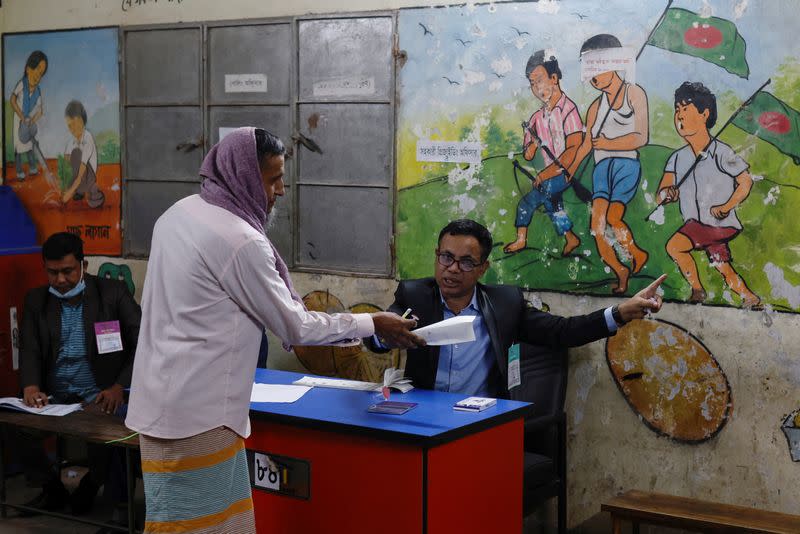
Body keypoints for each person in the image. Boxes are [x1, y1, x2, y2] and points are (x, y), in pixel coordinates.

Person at [125, 127, 423, 534]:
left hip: (160, 404)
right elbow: (296, 325)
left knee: (177, 519)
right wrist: (374, 322)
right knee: (202, 527)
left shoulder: (178, 213)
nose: (281, 189)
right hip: (199, 416)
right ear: (242, 176)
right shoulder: (239, 240)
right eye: (272, 178)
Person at [370, 219, 665, 398]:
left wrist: (620, 313)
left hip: (479, 423)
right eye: (446, 257)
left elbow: (563, 332)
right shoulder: (415, 295)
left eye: (466, 262)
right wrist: (385, 335)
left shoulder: (504, 304)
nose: (453, 269)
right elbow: (375, 339)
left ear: (483, 268)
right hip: (422, 417)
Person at [18, 231, 141, 515]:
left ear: (84, 266)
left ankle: (95, 488)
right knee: (16, 425)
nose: (60, 280)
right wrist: (31, 385)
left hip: (99, 395)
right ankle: (52, 487)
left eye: (68, 271)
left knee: (113, 432)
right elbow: (30, 350)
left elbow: (145, 342)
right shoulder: (37, 301)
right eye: (53, 272)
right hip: (54, 397)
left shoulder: (112, 294)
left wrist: (119, 387)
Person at [657, 82, 760, 308]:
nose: (680, 117)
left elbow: (745, 181)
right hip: (698, 224)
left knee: (675, 246)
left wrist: (727, 205)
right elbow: (661, 194)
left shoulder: (721, 152)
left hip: (717, 222)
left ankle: (697, 290)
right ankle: (749, 297)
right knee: (721, 264)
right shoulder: (677, 158)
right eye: (677, 110)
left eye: (686, 110)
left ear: (704, 114)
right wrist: (668, 194)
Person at [569, 34, 649, 295]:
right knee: (597, 227)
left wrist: (607, 143)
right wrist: (570, 169)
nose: (593, 76)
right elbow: (586, 144)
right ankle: (620, 270)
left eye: (597, 67)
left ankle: (637, 252)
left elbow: (641, 137)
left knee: (614, 217)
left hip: (626, 165)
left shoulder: (634, 93)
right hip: (601, 168)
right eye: (588, 69)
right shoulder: (595, 107)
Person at [504, 50, 583, 256]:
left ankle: (521, 240)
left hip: (565, 172)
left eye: (539, 81)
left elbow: (573, 149)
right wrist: (532, 143)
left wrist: (544, 174)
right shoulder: (537, 117)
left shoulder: (569, 109)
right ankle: (571, 238)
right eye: (532, 83)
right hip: (550, 174)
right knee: (551, 203)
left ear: (554, 78)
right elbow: (528, 155)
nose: (536, 88)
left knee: (528, 201)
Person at [10, 50, 47, 181]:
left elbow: (40, 111)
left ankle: (32, 167)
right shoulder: (22, 84)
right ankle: (19, 171)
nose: (38, 74)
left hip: (28, 122)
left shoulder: (38, 91)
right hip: (18, 120)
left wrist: (32, 120)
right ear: (28, 69)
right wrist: (21, 117)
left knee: (31, 144)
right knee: (18, 147)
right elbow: (12, 100)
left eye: (41, 73)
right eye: (37, 69)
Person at [62, 100, 105, 208]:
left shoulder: (88, 137)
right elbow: (66, 163)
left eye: (75, 123)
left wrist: (70, 190)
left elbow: (82, 166)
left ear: (83, 121)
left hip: (87, 176)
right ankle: (80, 191)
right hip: (78, 176)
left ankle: (92, 190)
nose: (72, 128)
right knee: (70, 158)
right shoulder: (70, 142)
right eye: (69, 125)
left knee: (76, 153)